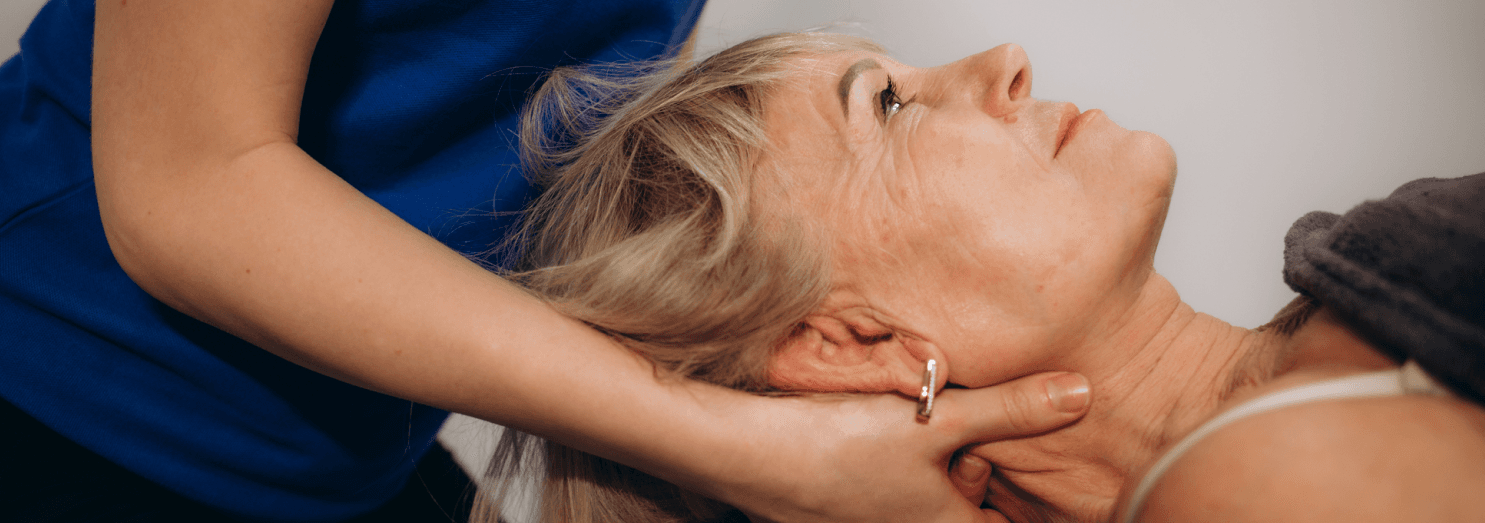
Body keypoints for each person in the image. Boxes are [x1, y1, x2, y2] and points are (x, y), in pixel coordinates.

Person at [0, 0, 1090, 522]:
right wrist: (754, 449)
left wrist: (864, 390)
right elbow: (190, 189)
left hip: (355, 455)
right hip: (43, 397)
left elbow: (569, 172)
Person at [502, 31, 1485, 522]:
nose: (1003, 61)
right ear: (851, 342)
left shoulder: (1379, 272)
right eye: (887, 105)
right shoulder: (1254, 488)